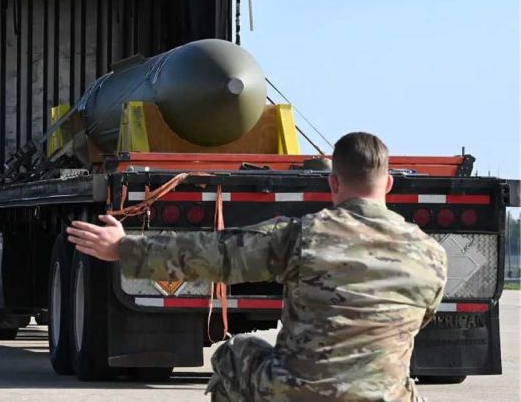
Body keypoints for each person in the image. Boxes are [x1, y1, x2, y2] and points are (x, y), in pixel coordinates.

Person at [67, 132, 447, 402]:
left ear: (333, 183)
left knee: (234, 355)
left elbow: (217, 254)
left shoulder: (304, 235)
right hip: (382, 397)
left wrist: (125, 248)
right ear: (389, 184)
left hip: (300, 393)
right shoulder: (430, 255)